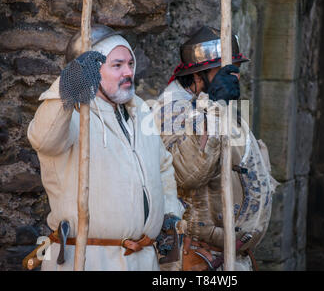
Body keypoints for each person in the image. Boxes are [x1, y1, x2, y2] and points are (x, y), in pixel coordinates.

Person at [26, 25, 184, 271]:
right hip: (88, 259)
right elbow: (44, 140)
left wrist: (170, 212)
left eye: (130, 64)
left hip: (143, 259)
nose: (128, 72)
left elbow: (162, 166)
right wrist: (69, 84)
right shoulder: (72, 112)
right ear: (91, 70)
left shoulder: (140, 109)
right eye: (117, 65)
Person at [154, 26, 279, 271]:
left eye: (236, 70)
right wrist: (214, 104)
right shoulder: (170, 109)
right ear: (199, 75)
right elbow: (189, 172)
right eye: (225, 71)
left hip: (228, 260)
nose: (235, 77)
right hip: (197, 258)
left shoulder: (216, 108)